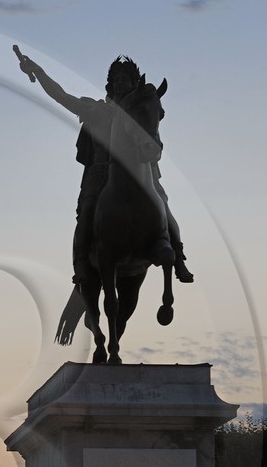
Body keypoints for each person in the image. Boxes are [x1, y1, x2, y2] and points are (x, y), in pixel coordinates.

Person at [12, 46, 190, 346]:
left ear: (134, 84)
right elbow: (61, 95)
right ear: (110, 84)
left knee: (163, 205)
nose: (122, 83)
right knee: (85, 220)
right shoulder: (96, 109)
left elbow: (153, 131)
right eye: (117, 79)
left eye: (127, 78)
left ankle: (179, 255)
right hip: (99, 177)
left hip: (142, 175)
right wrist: (37, 72)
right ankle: (82, 271)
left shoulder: (140, 109)